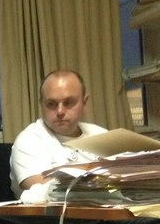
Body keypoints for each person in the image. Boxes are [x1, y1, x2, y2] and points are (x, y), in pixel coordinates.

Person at [10, 69, 107, 199]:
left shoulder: (102, 135)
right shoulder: (29, 140)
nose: (60, 111)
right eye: (51, 104)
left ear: (84, 102)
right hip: (58, 211)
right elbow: (45, 192)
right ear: (41, 104)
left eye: (68, 103)